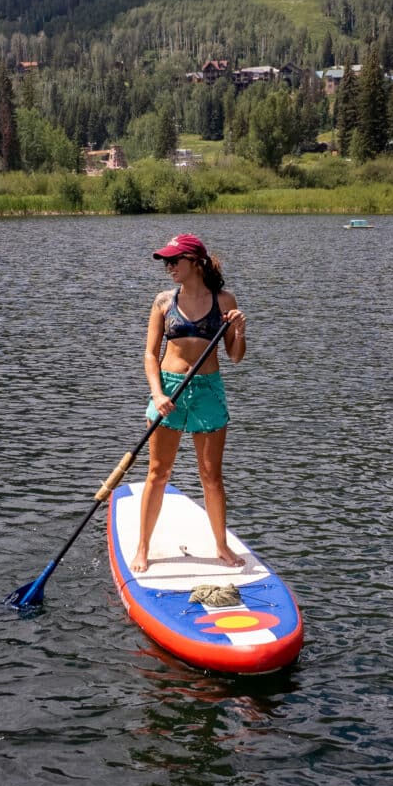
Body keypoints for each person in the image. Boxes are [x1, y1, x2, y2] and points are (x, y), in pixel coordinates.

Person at [135, 233, 247, 574]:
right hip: (168, 390)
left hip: (208, 390)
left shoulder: (225, 301)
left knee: (212, 475)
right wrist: (157, 393)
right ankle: (143, 547)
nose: (169, 267)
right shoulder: (163, 303)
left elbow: (235, 357)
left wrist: (240, 331)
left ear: (195, 262)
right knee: (158, 472)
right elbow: (150, 355)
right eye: (166, 262)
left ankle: (221, 546)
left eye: (174, 261)